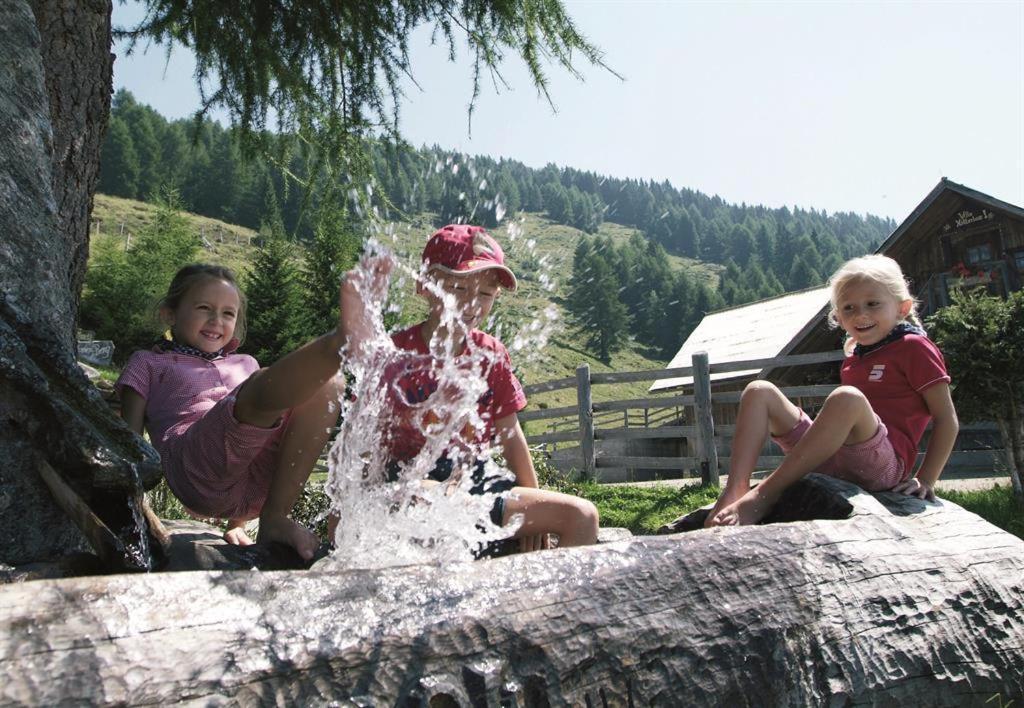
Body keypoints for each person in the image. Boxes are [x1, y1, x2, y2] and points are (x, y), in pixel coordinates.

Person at [117, 262, 381, 560]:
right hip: (195, 469)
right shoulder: (148, 363)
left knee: (329, 383)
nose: (217, 320)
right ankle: (339, 343)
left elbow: (250, 433)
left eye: (228, 313)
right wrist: (134, 515)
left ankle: (275, 518)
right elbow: (127, 444)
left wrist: (237, 524)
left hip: (257, 487)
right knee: (258, 389)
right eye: (204, 307)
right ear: (170, 313)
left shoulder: (245, 362)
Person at [376, 224, 599, 553]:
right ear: (425, 285)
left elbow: (511, 434)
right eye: (457, 288)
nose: (472, 304)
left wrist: (532, 510)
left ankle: (549, 604)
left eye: (484, 294)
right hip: (411, 482)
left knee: (583, 515)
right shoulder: (397, 357)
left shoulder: (490, 354)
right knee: (426, 505)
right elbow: (372, 445)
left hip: (476, 480)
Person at [707, 254, 959, 527]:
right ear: (838, 317)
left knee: (845, 398)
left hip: (882, 467)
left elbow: (947, 419)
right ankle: (734, 490)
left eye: (873, 304)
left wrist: (926, 478)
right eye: (849, 308)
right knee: (759, 390)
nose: (861, 314)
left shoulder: (914, 347)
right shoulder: (855, 357)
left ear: (902, 307)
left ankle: (764, 495)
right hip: (835, 457)